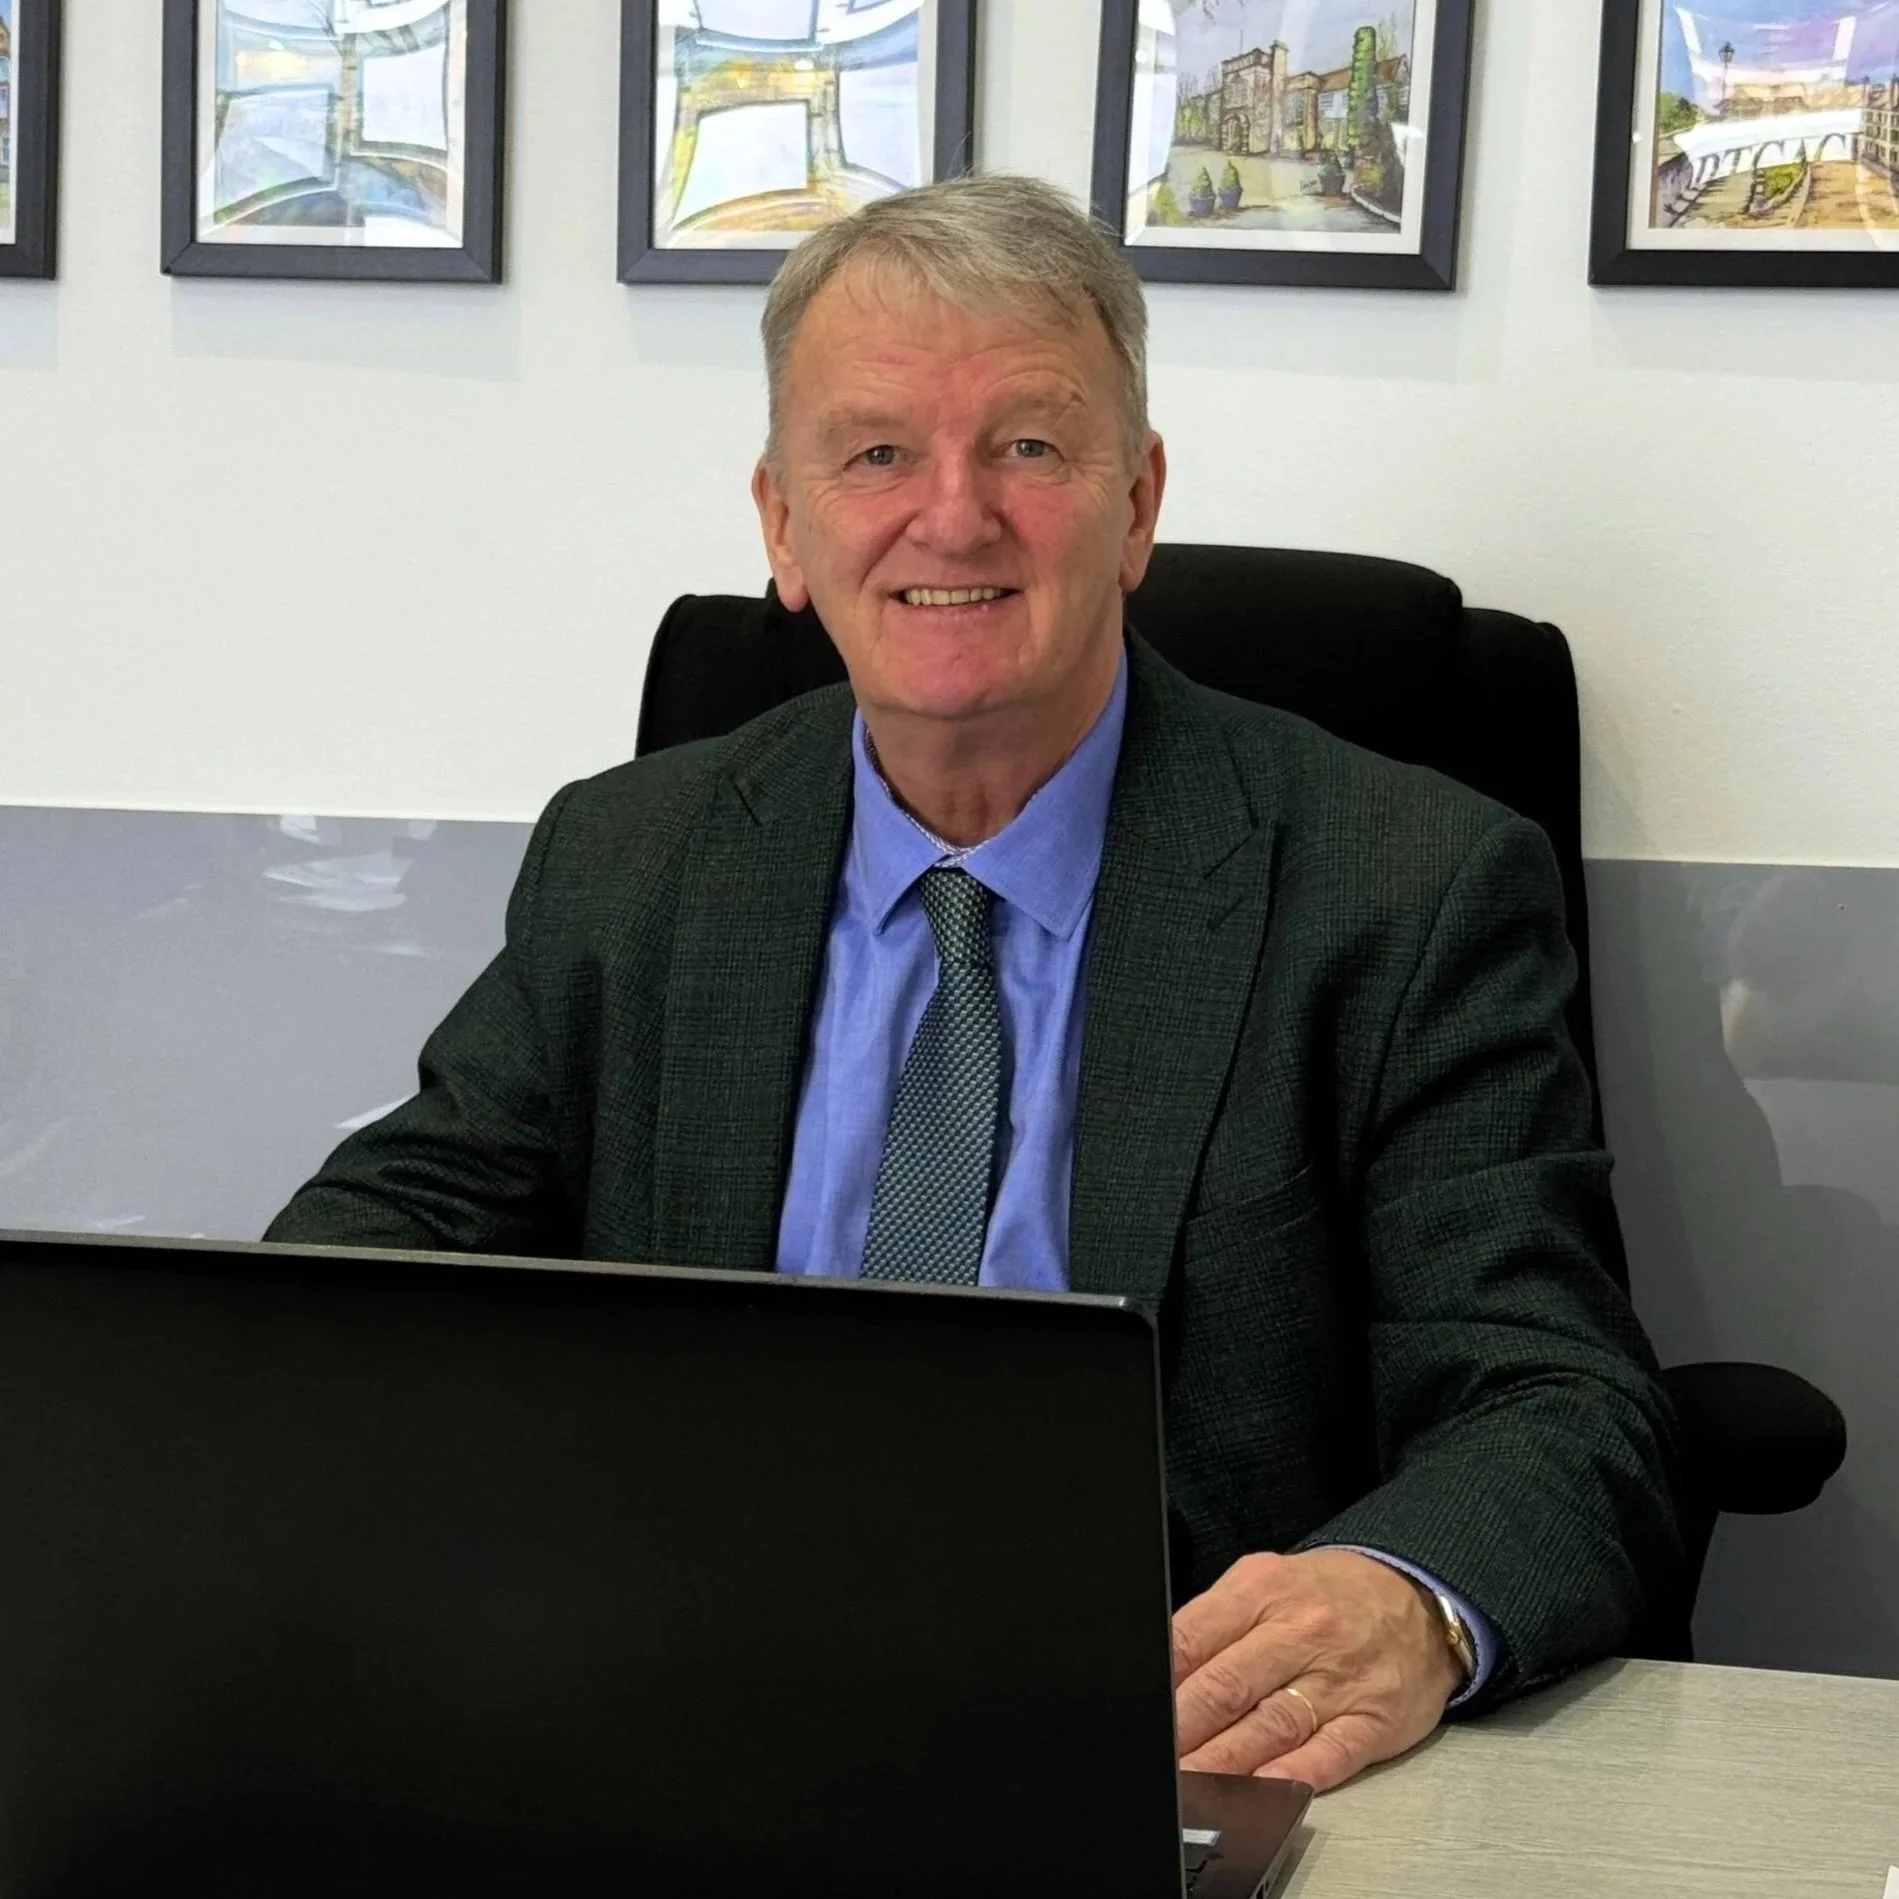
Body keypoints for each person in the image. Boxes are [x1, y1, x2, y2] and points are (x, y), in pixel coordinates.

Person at [266, 174, 1683, 1794]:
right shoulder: (631, 859)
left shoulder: (1405, 887)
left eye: (1028, 444)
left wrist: (1405, 1601)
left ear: (1135, 504)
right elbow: (376, 1257)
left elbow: (1556, 1396)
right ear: (782, 525)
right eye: (875, 452)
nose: (953, 516)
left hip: (1161, 1740)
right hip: (679, 1711)